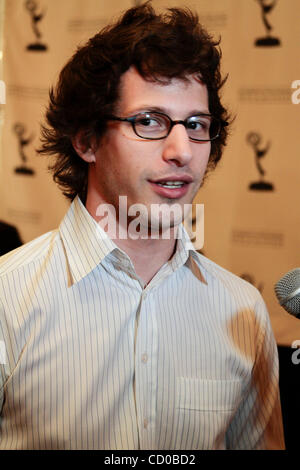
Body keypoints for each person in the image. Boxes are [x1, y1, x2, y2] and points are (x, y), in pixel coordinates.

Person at [0, 3, 284, 450]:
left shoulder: (243, 312)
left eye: (196, 125)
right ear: (87, 139)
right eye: (148, 121)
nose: (181, 150)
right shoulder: (7, 297)